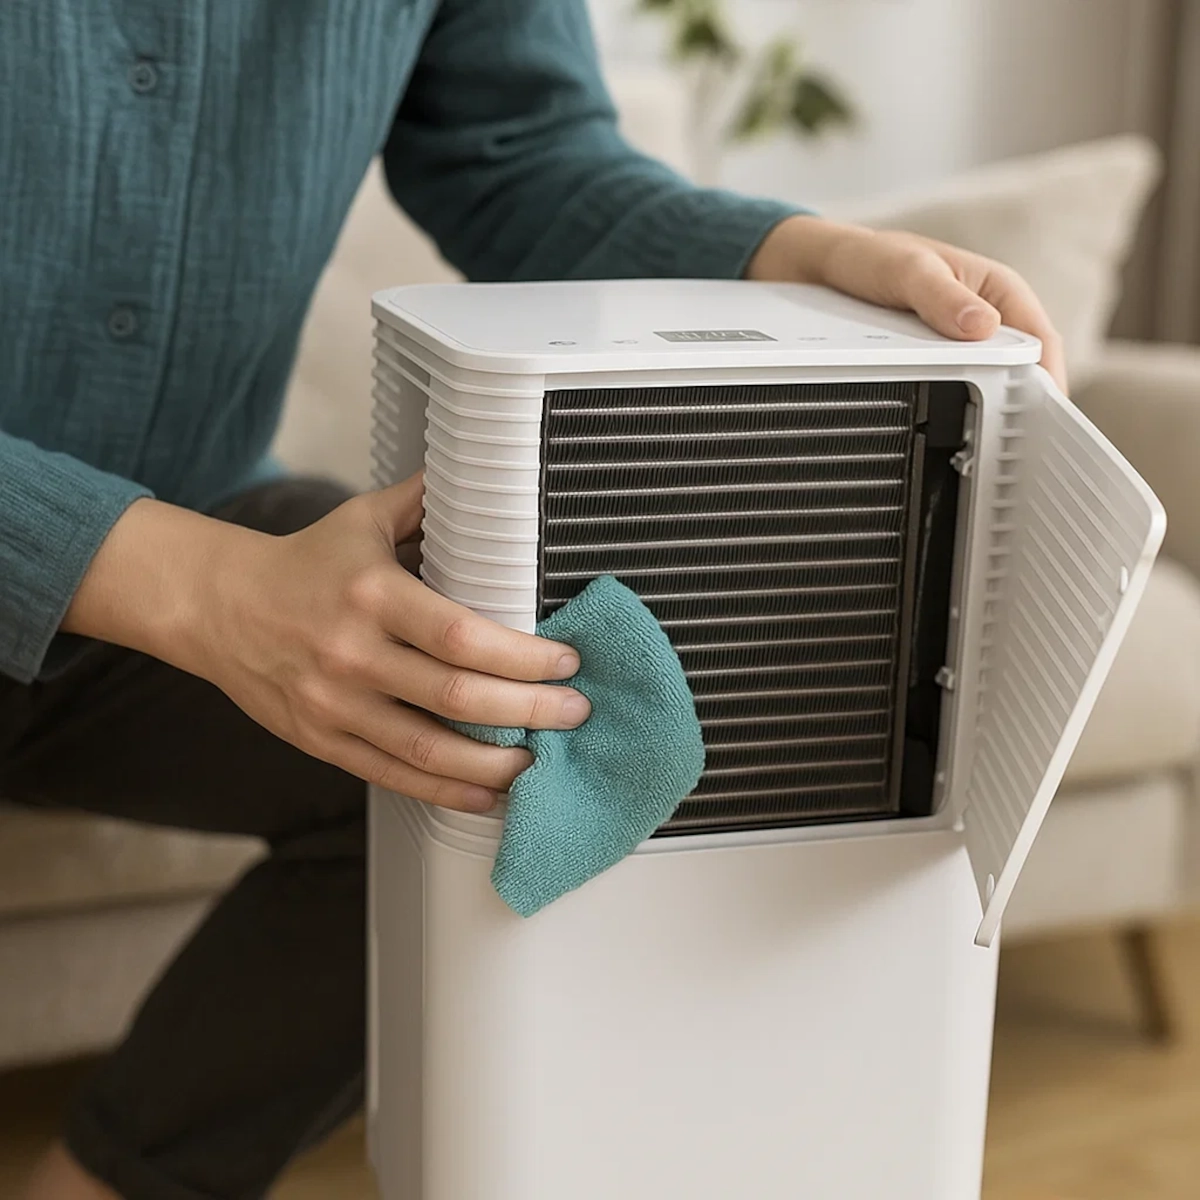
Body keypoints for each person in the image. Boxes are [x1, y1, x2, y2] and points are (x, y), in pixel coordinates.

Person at [1, 2, 1065, 1198]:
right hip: (170, 564)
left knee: (482, 757)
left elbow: (523, 159)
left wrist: (796, 251)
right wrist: (191, 584)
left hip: (192, 531)